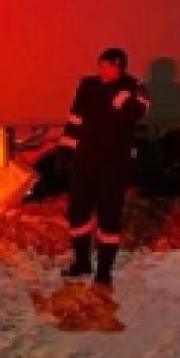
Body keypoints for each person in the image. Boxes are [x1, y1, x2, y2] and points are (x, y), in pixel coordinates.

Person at [59, 47, 150, 287]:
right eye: (101, 64)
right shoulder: (88, 86)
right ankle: (81, 263)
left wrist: (122, 98)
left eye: (109, 66)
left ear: (120, 68)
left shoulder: (134, 89)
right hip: (84, 163)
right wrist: (66, 151)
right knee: (78, 214)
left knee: (109, 219)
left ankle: (104, 270)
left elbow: (136, 113)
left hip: (113, 166)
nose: (103, 70)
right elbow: (75, 119)